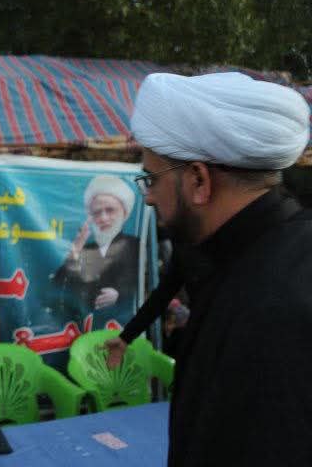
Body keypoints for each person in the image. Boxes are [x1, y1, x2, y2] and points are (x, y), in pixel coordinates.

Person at [130, 72, 312, 466]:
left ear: (199, 180)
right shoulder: (252, 260)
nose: (148, 197)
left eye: (151, 179)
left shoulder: (269, 308)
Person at [52, 175, 139, 311]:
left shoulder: (136, 246)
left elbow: (144, 280)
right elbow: (58, 284)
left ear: (125, 213)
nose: (103, 218)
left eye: (110, 210)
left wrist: (119, 294)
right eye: (97, 213)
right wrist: (76, 248)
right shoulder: (85, 249)